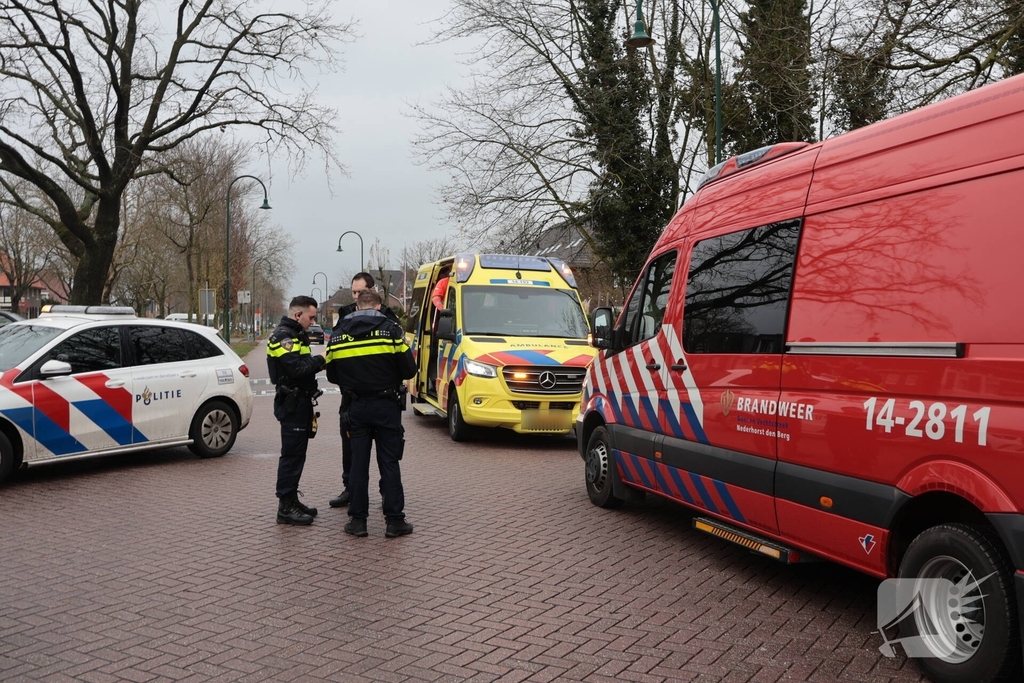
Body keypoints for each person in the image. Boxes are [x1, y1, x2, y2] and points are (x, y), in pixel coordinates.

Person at [325, 288, 417, 538]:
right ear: (378, 306)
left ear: (357, 307)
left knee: (358, 464)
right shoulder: (391, 331)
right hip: (387, 405)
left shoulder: (339, 334)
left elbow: (332, 374)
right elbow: (410, 370)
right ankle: (395, 521)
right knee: (389, 462)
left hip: (356, 406)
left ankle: (358, 521)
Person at [327, 272, 400, 509]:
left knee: (386, 452)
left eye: (360, 292)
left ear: (372, 290)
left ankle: (381, 496)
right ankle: (350, 489)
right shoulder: (346, 315)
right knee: (352, 448)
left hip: (383, 395)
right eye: (354, 293)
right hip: (352, 396)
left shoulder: (388, 319)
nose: (356, 297)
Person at [267, 295, 326, 525]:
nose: (313, 322)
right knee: (291, 456)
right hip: (292, 403)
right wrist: (321, 359)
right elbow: (297, 369)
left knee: (297, 455)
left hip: (300, 402)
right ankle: (285, 507)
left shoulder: (295, 334)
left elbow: (303, 366)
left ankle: (292, 499)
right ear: (297, 314)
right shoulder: (284, 337)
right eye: (311, 317)